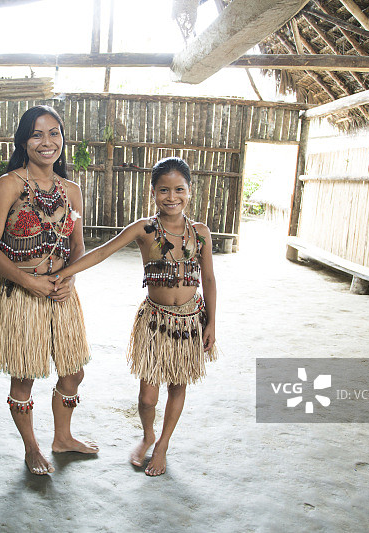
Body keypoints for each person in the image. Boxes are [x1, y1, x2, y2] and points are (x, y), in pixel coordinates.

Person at [51, 156, 219, 476]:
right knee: (147, 398)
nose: (172, 197)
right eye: (164, 190)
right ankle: (148, 435)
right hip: (155, 323)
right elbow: (103, 252)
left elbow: (209, 279)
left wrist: (211, 322)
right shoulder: (145, 229)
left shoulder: (200, 233)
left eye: (179, 189)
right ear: (152, 192)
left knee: (178, 386)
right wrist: (64, 273)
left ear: (190, 191)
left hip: (189, 322)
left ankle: (162, 445)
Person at [0, 105, 98, 475]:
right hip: (20, 294)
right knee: (24, 377)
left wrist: (71, 278)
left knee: (73, 373)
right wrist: (30, 282)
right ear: (24, 141)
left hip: (61, 295)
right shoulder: (9, 185)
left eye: (54, 133)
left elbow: (78, 246)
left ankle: (62, 438)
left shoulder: (72, 191)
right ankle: (31, 448)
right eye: (37, 134)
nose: (47, 142)